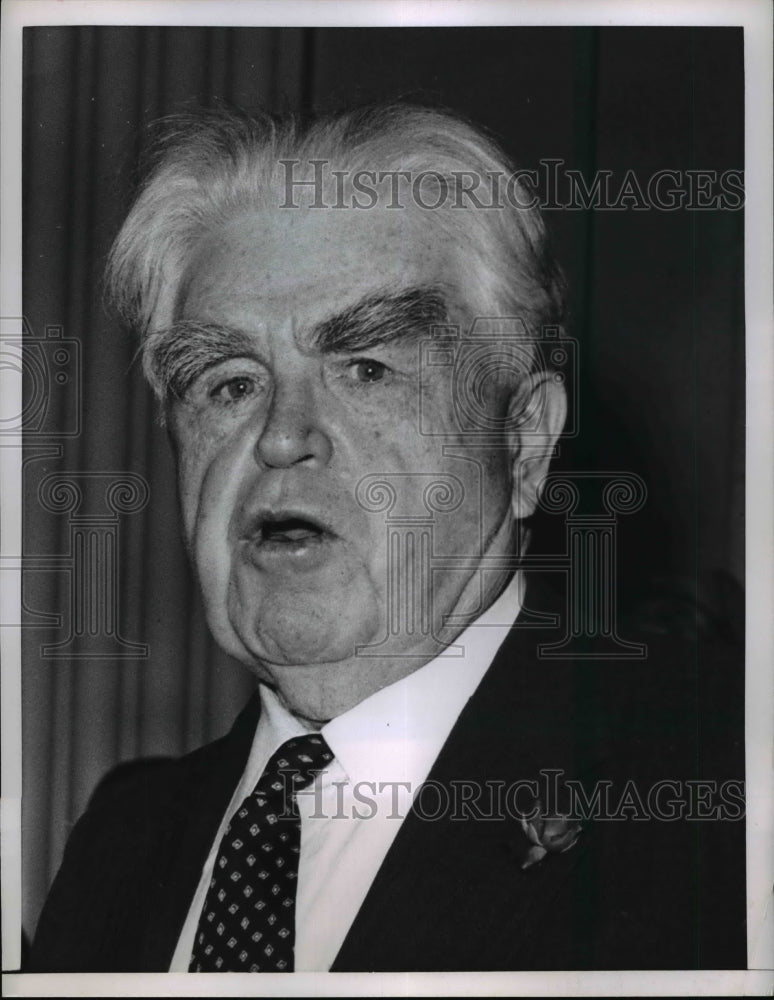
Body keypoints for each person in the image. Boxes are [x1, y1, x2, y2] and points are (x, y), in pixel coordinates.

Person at [28, 103, 746, 973]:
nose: (282, 435)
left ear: (522, 444)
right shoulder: (124, 842)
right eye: (228, 384)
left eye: (367, 369)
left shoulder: (719, 788)